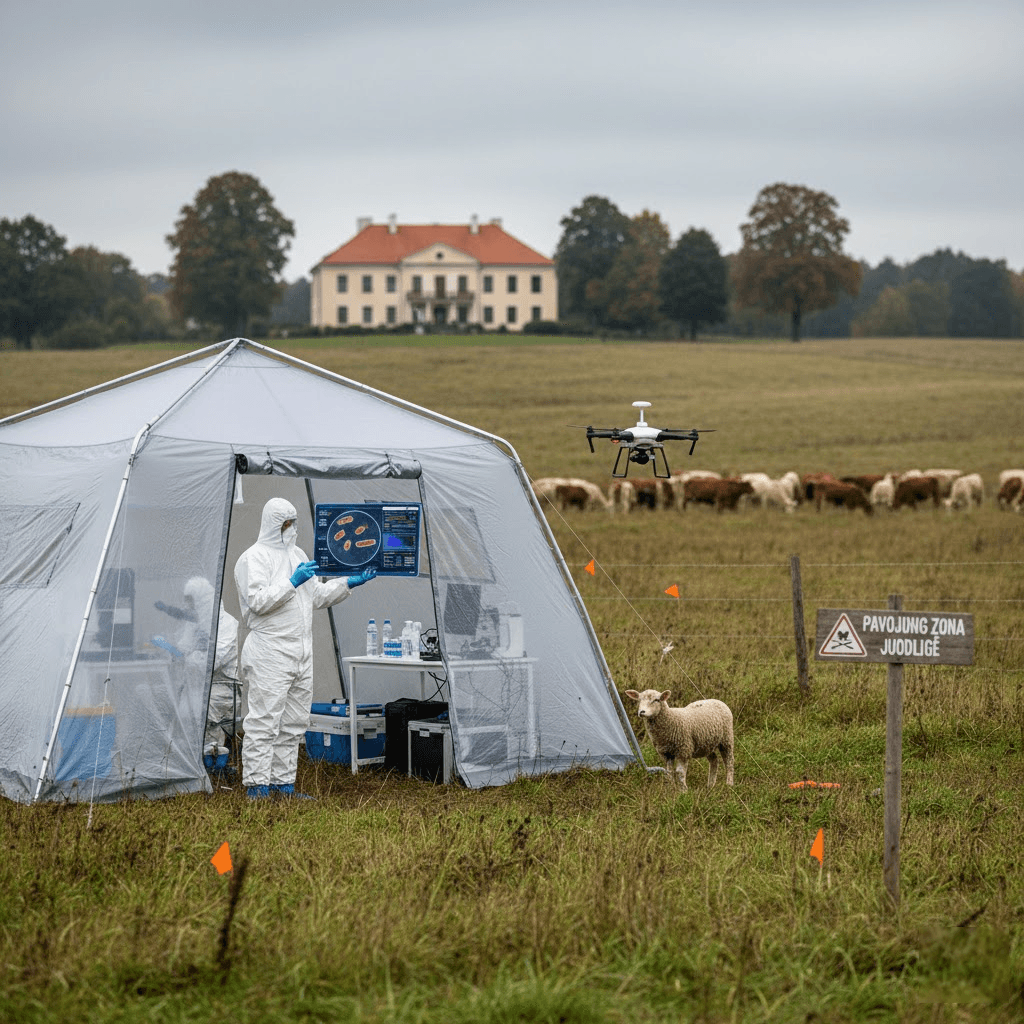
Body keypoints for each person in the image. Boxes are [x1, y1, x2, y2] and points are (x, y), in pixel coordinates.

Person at [234, 497, 376, 800]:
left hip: (300, 653)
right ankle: (257, 788)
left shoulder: (298, 554)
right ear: (271, 523)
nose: (291, 528)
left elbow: (318, 596)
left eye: (293, 522)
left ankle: (283, 785)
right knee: (264, 721)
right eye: (285, 523)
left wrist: (348, 583)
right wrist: (291, 582)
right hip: (269, 652)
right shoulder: (253, 558)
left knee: (294, 722)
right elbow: (258, 602)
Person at [154, 577, 241, 772]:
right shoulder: (194, 624)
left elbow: (213, 661)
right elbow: (184, 650)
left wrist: (186, 656)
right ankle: (188, 761)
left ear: (202, 599)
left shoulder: (226, 624)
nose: (187, 605)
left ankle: (212, 761)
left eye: (190, 600)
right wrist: (170, 649)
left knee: (201, 710)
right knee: (170, 703)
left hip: (222, 688)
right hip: (194, 685)